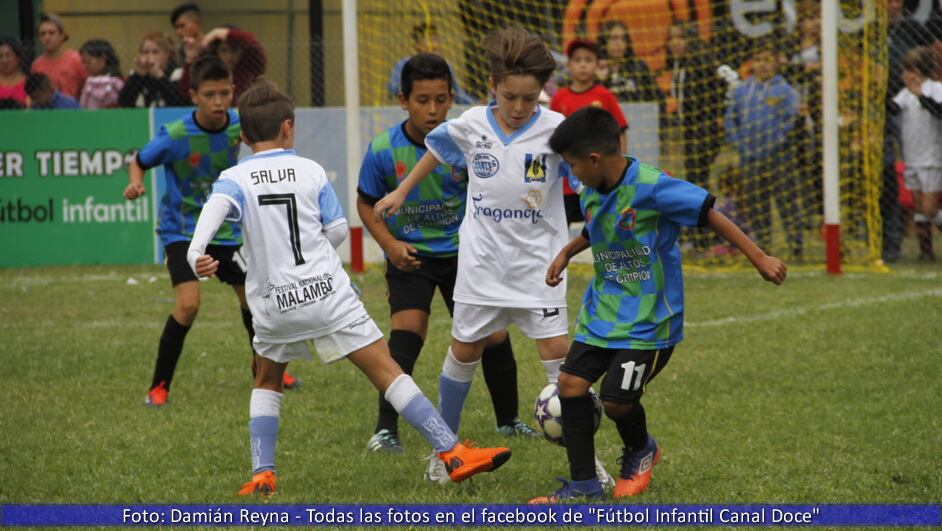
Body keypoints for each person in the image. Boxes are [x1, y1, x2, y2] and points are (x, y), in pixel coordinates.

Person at [185, 77, 511, 496]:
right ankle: (451, 452)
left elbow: (215, 211)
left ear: (245, 137)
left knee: (266, 380)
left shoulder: (234, 178)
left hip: (272, 303)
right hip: (325, 294)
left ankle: (262, 472)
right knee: (386, 370)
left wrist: (197, 253)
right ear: (289, 127)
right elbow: (338, 230)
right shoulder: (310, 170)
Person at [375, 27, 614, 487]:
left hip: (538, 268)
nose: (520, 106)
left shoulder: (555, 128)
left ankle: (588, 464)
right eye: (510, 97)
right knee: (463, 350)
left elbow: (585, 174)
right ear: (493, 86)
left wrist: (598, 206)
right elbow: (436, 150)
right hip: (482, 265)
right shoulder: (471, 125)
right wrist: (402, 191)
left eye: (529, 97)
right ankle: (445, 453)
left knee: (560, 359)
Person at [529, 107, 786, 503]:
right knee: (570, 385)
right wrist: (566, 252)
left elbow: (710, 215)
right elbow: (601, 227)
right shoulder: (591, 189)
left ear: (594, 159)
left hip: (651, 321)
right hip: (603, 314)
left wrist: (759, 257)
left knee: (616, 401)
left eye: (574, 165)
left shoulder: (653, 186)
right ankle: (584, 487)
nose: (572, 174)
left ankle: (640, 450)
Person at [358, 53, 536, 456]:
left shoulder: (466, 143)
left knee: (493, 334)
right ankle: (386, 430)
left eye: (441, 99)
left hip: (466, 256)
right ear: (403, 100)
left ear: (452, 97)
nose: (433, 109)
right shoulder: (383, 150)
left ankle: (508, 420)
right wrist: (389, 245)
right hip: (411, 258)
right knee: (408, 333)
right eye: (422, 100)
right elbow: (366, 203)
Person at [123, 55, 297, 408]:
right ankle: (159, 386)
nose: (219, 102)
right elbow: (139, 160)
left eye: (224, 93)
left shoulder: (239, 125)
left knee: (255, 301)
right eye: (210, 95)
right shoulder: (175, 135)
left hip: (228, 233)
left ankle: (268, 370)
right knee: (188, 306)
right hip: (183, 231)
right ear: (193, 96)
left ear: (233, 92)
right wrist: (135, 184)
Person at [724, 41, 802, 259]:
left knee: (785, 201)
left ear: (776, 63)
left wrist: (775, 142)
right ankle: (763, 246)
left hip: (778, 156)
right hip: (749, 157)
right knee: (756, 202)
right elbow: (731, 119)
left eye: (767, 60)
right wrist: (740, 144)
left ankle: (796, 246)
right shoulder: (741, 91)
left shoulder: (785, 90)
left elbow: (791, 120)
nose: (763, 65)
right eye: (758, 60)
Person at [551, 39, 628, 225]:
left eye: (588, 59)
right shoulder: (559, 98)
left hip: (599, 175)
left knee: (600, 225)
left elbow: (621, 131)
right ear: (569, 65)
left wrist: (621, 165)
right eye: (577, 60)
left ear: (597, 64)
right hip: (568, 180)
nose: (583, 64)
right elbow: (552, 136)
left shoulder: (604, 96)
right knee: (566, 226)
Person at [664, 22, 725, 251]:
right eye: (672, 38)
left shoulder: (701, 65)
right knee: (693, 181)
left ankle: (706, 238)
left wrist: (715, 123)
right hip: (689, 130)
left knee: (700, 183)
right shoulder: (679, 65)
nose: (675, 43)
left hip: (703, 131)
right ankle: (699, 237)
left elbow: (715, 96)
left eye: (680, 38)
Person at [890, 47, 942, 260]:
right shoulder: (905, 93)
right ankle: (926, 252)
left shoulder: (935, 88)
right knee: (919, 207)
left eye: (907, 70)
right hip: (911, 157)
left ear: (919, 71)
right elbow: (892, 108)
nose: (903, 75)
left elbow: (938, 111)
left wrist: (920, 95)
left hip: (932, 158)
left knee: (930, 208)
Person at [388, 24, 476, 105]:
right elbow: (393, 89)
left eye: (435, 39)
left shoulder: (445, 64)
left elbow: (457, 93)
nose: (433, 44)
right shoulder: (403, 63)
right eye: (427, 39)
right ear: (416, 44)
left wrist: (474, 104)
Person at [195, 26, 266, 105]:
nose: (229, 56)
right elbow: (185, 93)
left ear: (241, 51)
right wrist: (190, 59)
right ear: (217, 52)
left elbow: (253, 44)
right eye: (224, 51)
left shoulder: (251, 68)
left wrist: (218, 33)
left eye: (234, 50)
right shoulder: (207, 71)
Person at [119, 32, 187, 109]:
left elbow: (180, 103)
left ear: (168, 54)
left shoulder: (178, 73)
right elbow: (124, 102)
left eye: (155, 52)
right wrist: (137, 76)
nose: (150, 56)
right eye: (145, 52)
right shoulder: (136, 74)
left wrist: (160, 77)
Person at [596, 20, 658, 104]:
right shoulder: (594, 69)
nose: (619, 44)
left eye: (623, 39)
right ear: (604, 41)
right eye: (614, 38)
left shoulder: (639, 67)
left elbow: (656, 99)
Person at [30, 14, 87, 100]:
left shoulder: (76, 59)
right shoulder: (36, 65)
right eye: (42, 34)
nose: (47, 37)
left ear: (62, 35)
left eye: (51, 33)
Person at [78, 39, 124, 109]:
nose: (85, 66)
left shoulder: (117, 84)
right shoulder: (88, 83)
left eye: (88, 62)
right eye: (83, 62)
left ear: (102, 59)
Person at [170, 3, 205, 70]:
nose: (178, 32)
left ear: (197, 23)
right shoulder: (179, 53)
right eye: (176, 28)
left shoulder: (212, 46)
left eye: (182, 26)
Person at [0, 37, 28, 107]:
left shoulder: (28, 83)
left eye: (8, 55)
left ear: (18, 58)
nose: (4, 60)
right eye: (0, 56)